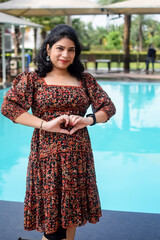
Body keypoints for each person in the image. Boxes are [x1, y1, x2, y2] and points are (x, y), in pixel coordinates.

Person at [1, 24, 116, 240]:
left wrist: (87, 120)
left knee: (70, 220)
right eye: (60, 48)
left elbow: (108, 108)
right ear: (48, 49)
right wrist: (45, 124)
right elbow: (8, 107)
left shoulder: (85, 80)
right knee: (53, 229)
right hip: (47, 157)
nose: (65, 54)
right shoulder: (33, 80)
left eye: (71, 50)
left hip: (77, 157)